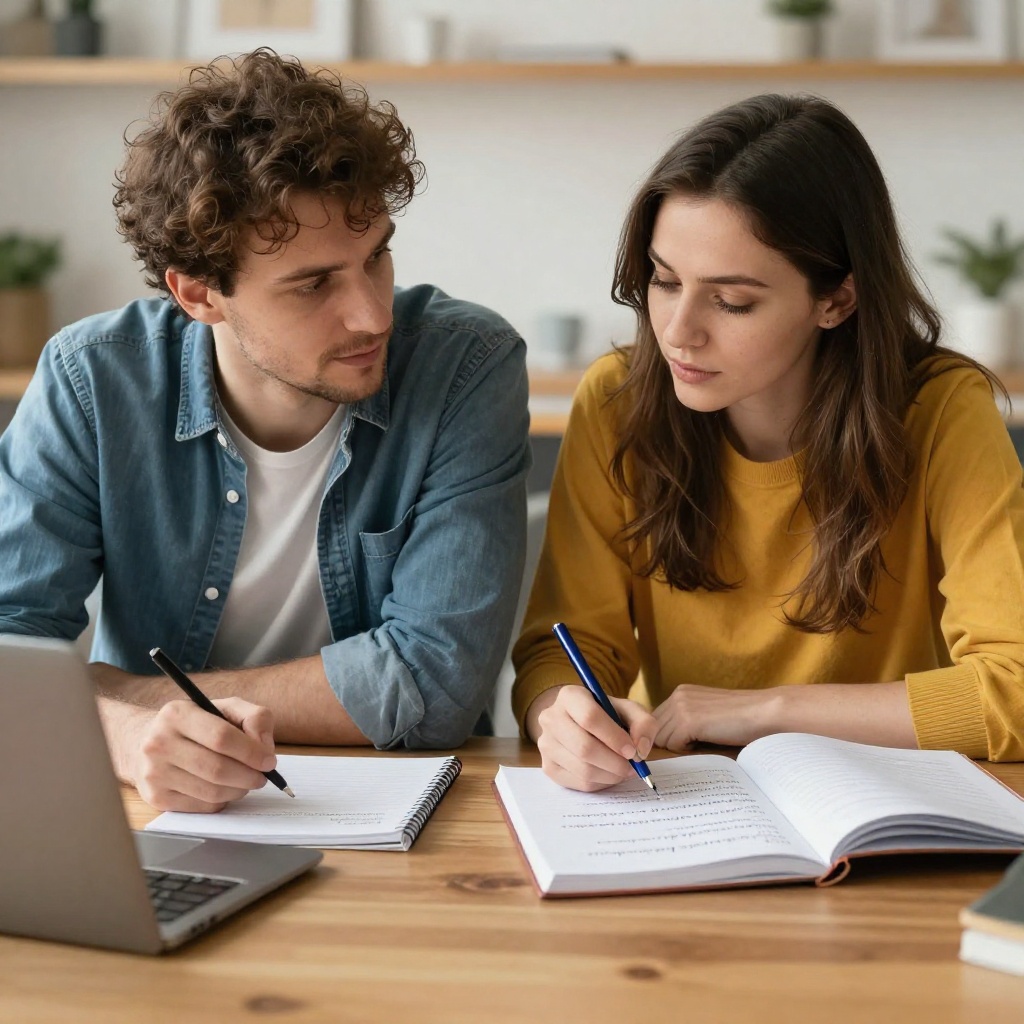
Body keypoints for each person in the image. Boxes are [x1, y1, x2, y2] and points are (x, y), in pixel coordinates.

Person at [0, 50, 531, 811]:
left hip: (407, 813)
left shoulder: (464, 366)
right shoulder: (92, 382)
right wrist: (119, 736)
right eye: (313, 284)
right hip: (159, 800)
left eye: (376, 255)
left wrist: (122, 696)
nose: (372, 314)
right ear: (199, 294)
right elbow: (10, 649)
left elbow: (434, 684)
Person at [512, 93, 1024, 792]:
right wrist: (561, 717)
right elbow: (560, 651)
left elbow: (1015, 687)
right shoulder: (615, 401)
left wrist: (767, 711)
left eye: (732, 302)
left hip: (887, 811)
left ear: (837, 299)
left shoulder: (941, 412)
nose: (678, 331)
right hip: (688, 811)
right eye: (663, 281)